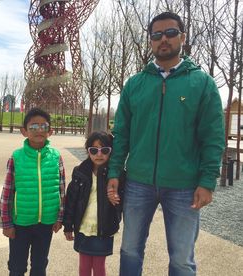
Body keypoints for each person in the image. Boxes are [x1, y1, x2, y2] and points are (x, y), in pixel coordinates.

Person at [107, 11, 225, 276]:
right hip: (138, 182)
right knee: (129, 250)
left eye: (170, 33)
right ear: (150, 41)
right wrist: (115, 171)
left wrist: (207, 182)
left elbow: (213, 137)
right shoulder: (135, 84)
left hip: (184, 186)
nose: (164, 39)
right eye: (156, 35)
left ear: (182, 37)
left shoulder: (202, 84)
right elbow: (122, 134)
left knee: (182, 259)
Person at [0, 107, 65, 276]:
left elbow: (62, 190)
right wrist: (6, 223)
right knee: (17, 266)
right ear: (24, 131)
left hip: (46, 223)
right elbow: (7, 192)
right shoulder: (16, 157)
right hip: (20, 223)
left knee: (40, 265)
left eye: (43, 126)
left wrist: (59, 216)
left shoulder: (56, 157)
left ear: (50, 131)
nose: (39, 131)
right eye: (33, 127)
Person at [63, 131, 124, 276]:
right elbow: (71, 200)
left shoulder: (116, 175)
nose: (99, 154)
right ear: (88, 151)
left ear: (111, 151)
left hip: (103, 228)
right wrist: (68, 225)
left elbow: (124, 201)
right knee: (84, 264)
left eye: (104, 150)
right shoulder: (80, 172)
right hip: (83, 227)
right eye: (94, 150)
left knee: (99, 265)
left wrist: (116, 199)